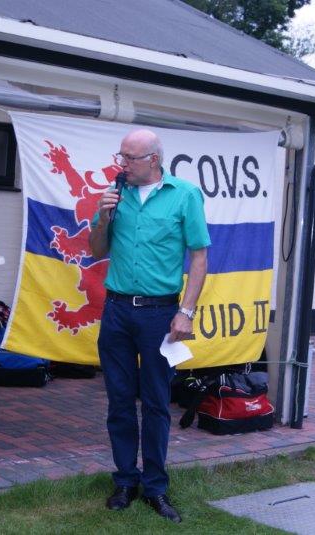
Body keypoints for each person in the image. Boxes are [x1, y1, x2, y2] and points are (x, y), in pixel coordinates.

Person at [90, 129, 210, 523]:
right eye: (120, 156)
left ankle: (156, 487)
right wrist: (103, 218)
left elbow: (199, 257)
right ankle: (125, 481)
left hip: (159, 313)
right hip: (117, 310)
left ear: (153, 159)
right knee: (120, 400)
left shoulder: (184, 195)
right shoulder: (115, 194)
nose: (122, 163)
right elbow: (97, 249)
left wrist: (186, 312)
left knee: (156, 402)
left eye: (130, 157)